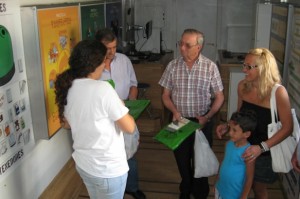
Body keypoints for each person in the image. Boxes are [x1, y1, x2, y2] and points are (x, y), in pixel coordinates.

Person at [54, 40, 136, 199]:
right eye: (105, 59)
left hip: (85, 165)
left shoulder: (68, 86)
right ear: (96, 64)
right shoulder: (103, 89)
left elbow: (66, 124)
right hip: (107, 169)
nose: (106, 63)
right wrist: (119, 106)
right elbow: (130, 127)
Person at [216, 48, 293, 199]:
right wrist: (227, 126)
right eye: (243, 65)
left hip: (263, 152)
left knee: (258, 190)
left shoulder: (278, 92)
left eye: (249, 67)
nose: (244, 70)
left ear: (264, 68)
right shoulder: (242, 86)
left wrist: (261, 148)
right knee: (240, 184)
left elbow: (288, 127)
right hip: (242, 147)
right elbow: (239, 116)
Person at [159, 28, 224, 199]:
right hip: (178, 121)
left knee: (200, 162)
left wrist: (208, 117)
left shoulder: (210, 67)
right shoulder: (172, 66)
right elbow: (165, 96)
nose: (182, 48)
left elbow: (219, 97)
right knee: (181, 161)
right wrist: (174, 110)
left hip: (201, 122)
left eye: (187, 45)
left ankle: (200, 193)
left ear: (199, 47)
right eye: (181, 43)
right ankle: (185, 188)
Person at [95, 28, 146, 199]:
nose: (111, 52)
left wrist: (131, 100)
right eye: (107, 48)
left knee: (129, 153)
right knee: (110, 156)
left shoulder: (124, 61)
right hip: (104, 120)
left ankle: (132, 188)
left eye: (114, 47)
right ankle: (114, 191)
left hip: (124, 114)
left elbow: (133, 83)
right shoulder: (92, 67)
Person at [215, 109, 256, 199]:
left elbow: (249, 178)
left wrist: (244, 196)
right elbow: (224, 161)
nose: (229, 133)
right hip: (220, 188)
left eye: (234, 130)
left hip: (234, 194)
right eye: (230, 128)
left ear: (246, 134)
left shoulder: (249, 152)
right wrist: (218, 176)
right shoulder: (228, 144)